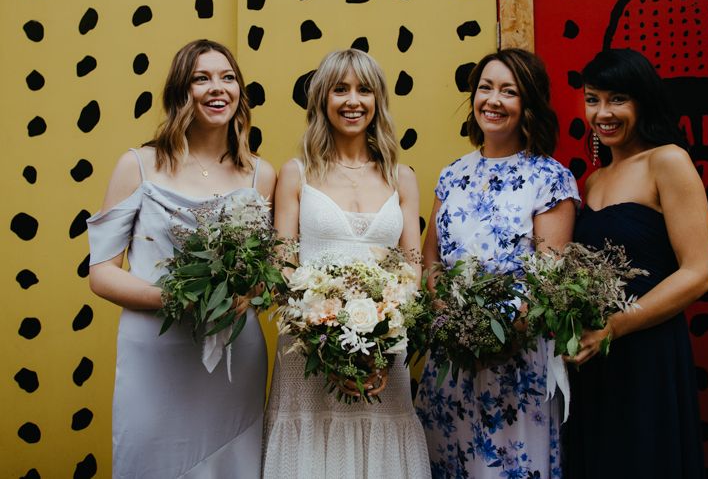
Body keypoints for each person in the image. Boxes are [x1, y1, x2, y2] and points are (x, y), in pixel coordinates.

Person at [87, 39, 275, 478]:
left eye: (228, 78)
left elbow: (265, 272)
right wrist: (178, 298)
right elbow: (102, 274)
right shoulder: (138, 165)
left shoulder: (260, 174)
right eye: (202, 78)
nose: (218, 88)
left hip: (232, 358)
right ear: (180, 92)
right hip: (156, 351)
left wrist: (246, 292)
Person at [262, 48, 430, 479]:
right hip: (309, 353)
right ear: (322, 99)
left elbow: (411, 266)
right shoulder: (297, 173)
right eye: (340, 89)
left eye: (364, 90)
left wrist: (380, 340)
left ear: (378, 101)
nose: (352, 100)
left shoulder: (400, 176)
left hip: (384, 353)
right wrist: (323, 337)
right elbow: (282, 263)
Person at [415, 48, 580, 478]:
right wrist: (448, 319)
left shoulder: (550, 178)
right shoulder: (452, 174)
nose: (493, 100)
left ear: (528, 104)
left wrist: (495, 338)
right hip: (450, 360)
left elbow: (549, 279)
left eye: (509, 91)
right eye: (485, 88)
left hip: (515, 363)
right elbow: (430, 254)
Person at [564, 48, 708, 479]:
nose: (602, 113)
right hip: (595, 358)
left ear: (642, 100)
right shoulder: (591, 179)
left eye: (617, 99)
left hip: (647, 351)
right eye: (593, 99)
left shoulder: (667, 160)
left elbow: (699, 272)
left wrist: (617, 325)